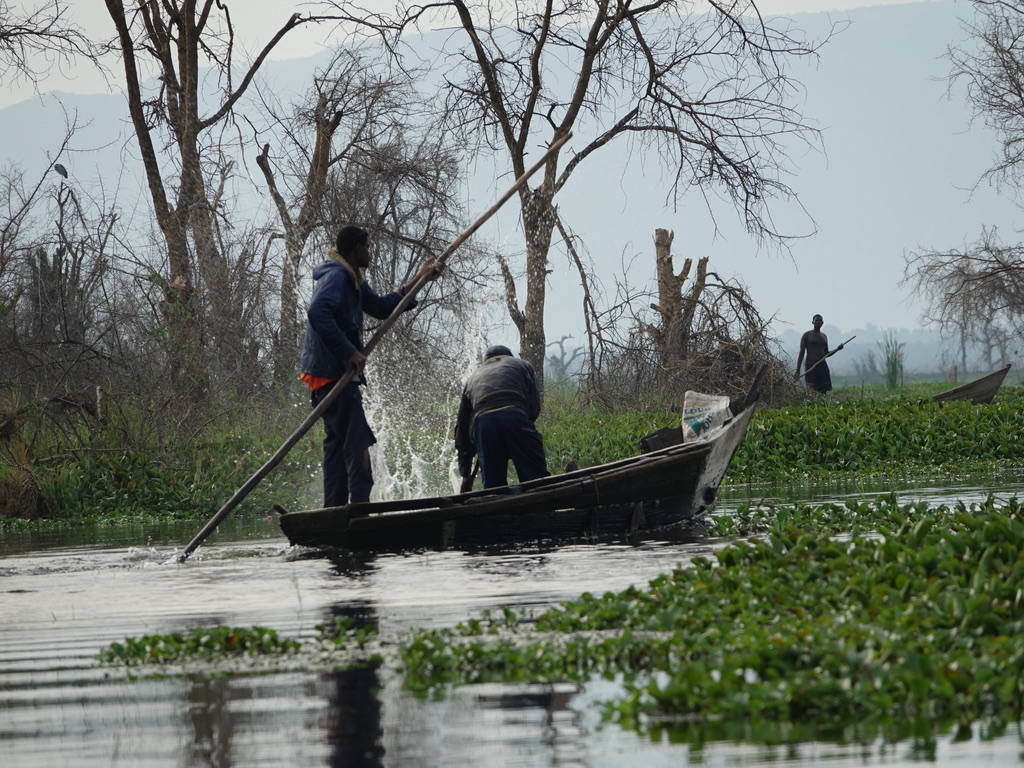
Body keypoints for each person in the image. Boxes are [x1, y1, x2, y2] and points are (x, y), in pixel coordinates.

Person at [300, 225, 442, 507]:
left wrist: (421, 279)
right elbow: (318, 312)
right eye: (367, 246)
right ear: (357, 249)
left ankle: (334, 511)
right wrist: (350, 352)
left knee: (337, 448)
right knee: (357, 445)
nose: (370, 252)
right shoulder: (338, 276)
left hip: (328, 377)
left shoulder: (352, 278)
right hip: (333, 375)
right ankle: (359, 511)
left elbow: (380, 307)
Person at [454, 345, 550, 491]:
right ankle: (541, 500)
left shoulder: (473, 378)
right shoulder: (523, 365)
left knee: (494, 487)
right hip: (515, 415)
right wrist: (522, 432)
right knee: (536, 481)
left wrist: (465, 473)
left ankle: (497, 500)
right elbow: (534, 407)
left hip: (484, 425)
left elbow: (462, 427)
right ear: (509, 356)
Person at [796, 314, 844, 395]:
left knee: (823, 390)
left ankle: (822, 402)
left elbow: (826, 353)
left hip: (822, 366)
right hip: (810, 366)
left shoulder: (824, 336)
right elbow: (801, 353)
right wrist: (798, 370)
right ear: (813, 322)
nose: (818, 322)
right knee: (811, 389)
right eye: (816, 320)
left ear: (822, 323)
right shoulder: (807, 335)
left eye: (820, 321)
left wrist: (837, 349)